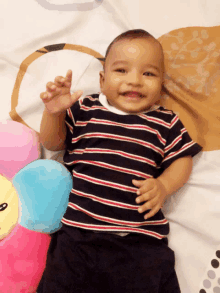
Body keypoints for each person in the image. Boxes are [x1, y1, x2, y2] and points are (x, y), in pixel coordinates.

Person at [37, 29, 202, 293]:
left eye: (148, 73)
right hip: (80, 237)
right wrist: (54, 113)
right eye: (121, 71)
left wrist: (163, 186)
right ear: (102, 80)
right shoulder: (86, 108)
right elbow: (52, 143)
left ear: (161, 84)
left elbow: (182, 160)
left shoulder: (165, 121)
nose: (135, 81)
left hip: (138, 242)